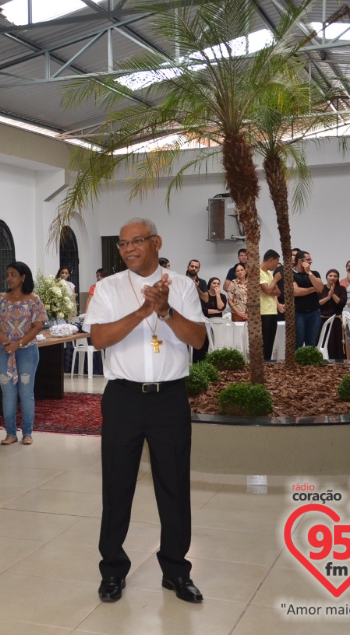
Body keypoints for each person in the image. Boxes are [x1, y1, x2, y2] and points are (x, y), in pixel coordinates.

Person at [86, 218, 206, 606]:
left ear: (156, 242)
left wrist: (166, 311)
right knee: (117, 485)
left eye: (137, 241)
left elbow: (198, 339)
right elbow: (99, 337)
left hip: (169, 398)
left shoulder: (183, 285)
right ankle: (112, 570)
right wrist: (142, 311)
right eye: (122, 244)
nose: (129, 249)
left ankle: (175, 571)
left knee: (173, 486)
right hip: (123, 398)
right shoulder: (107, 288)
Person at [0, 261, 47, 446]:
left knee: (26, 391)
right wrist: (2, 337)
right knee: (8, 392)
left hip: (27, 351)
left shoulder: (34, 300)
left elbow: (38, 326)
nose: (9, 278)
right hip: (3, 351)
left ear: (23, 277)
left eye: (13, 274)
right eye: (8, 274)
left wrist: (19, 343)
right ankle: (10, 433)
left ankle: (28, 433)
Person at [292, 250, 324, 348]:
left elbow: (321, 288)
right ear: (300, 261)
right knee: (298, 342)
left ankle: (311, 363)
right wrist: (314, 288)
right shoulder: (292, 274)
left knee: (312, 342)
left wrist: (309, 272)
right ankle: (297, 363)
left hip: (314, 312)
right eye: (308, 259)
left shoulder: (314, 273)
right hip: (299, 313)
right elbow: (296, 292)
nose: (311, 261)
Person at [318, 269, 347, 360]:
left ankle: (337, 361)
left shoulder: (341, 289)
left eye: (335, 276)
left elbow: (341, 303)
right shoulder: (321, 288)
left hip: (336, 320)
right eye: (330, 275)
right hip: (322, 319)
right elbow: (318, 303)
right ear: (326, 277)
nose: (332, 278)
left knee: (335, 342)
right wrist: (328, 297)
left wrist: (333, 293)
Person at [259, 250, 282, 360]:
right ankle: (262, 360)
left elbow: (278, 292)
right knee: (264, 339)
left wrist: (270, 289)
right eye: (276, 261)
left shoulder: (269, 273)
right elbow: (268, 290)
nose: (277, 264)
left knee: (271, 338)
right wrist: (275, 280)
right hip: (263, 311)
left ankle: (267, 360)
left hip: (272, 310)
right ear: (271, 260)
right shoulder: (259, 273)